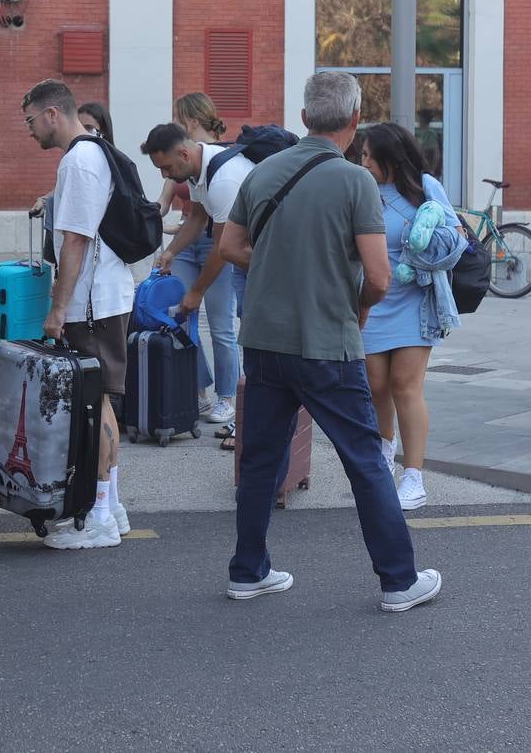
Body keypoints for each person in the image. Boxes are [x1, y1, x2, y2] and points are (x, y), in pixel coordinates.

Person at [217, 71, 440, 611]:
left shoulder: (263, 171)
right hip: (327, 343)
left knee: (259, 460)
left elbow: (230, 245)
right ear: (355, 120)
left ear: (303, 117)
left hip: (265, 340)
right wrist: (355, 307)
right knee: (364, 458)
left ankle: (248, 571)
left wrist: (278, 268)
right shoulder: (354, 181)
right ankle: (399, 580)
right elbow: (381, 277)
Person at [23, 80, 133, 549]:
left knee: (97, 406)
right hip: (104, 300)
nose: (30, 132)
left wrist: (58, 308)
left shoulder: (80, 161)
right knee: (102, 403)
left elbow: (75, 240)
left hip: (93, 304)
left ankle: (99, 517)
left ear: (52, 114)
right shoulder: (94, 154)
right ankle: (113, 508)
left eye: (31, 121)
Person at [359, 122, 465, 511]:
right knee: (375, 386)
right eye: (362, 154)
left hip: (415, 300)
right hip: (371, 298)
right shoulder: (360, 187)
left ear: (390, 157)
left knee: (405, 386)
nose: (364, 161)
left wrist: (420, 250)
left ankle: (414, 476)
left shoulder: (424, 187)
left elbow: (456, 241)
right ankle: (384, 460)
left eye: (370, 155)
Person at [142, 119, 249, 436]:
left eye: (166, 167)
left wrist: (197, 292)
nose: (165, 176)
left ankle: (235, 408)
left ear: (184, 153)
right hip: (238, 249)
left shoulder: (225, 178)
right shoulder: (199, 171)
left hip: (254, 256)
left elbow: (222, 247)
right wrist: (172, 251)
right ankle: (215, 400)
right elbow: (197, 217)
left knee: (233, 329)